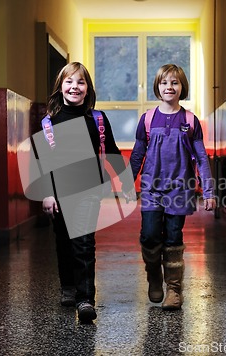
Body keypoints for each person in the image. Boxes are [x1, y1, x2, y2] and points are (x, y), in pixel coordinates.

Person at [41, 62, 135, 322]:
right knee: (63, 241)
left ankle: (85, 300)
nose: (75, 87)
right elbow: (44, 161)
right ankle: (68, 287)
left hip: (89, 189)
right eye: (69, 82)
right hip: (60, 192)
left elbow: (113, 152)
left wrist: (126, 184)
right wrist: (47, 194)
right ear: (60, 87)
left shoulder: (97, 119)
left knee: (83, 243)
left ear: (88, 89)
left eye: (80, 82)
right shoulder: (50, 121)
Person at [130, 64, 216, 310]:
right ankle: (154, 274)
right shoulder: (147, 119)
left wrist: (208, 191)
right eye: (164, 82)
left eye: (175, 83)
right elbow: (138, 154)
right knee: (149, 235)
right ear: (157, 87)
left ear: (182, 88)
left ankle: (174, 290)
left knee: (173, 238)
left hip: (180, 189)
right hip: (151, 188)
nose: (169, 87)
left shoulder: (190, 120)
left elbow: (201, 158)